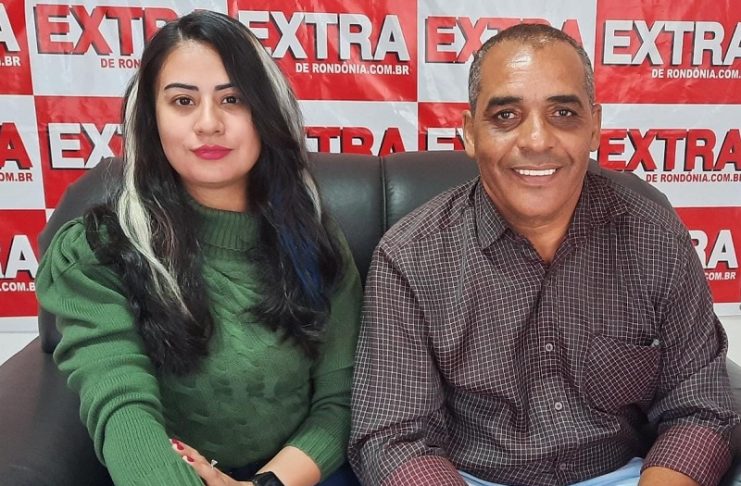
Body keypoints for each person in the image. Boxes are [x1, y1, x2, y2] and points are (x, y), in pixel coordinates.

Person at [349, 23, 739, 486]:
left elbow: (699, 405)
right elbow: (393, 438)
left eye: (563, 113)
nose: (537, 140)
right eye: (506, 115)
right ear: (470, 133)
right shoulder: (410, 257)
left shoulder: (654, 238)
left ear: (594, 127)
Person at [35, 10, 362, 486]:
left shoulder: (314, 240)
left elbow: (340, 399)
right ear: (152, 119)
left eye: (233, 99)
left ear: (266, 113)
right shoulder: (98, 250)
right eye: (183, 101)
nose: (209, 123)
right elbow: (121, 404)